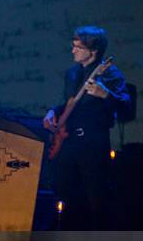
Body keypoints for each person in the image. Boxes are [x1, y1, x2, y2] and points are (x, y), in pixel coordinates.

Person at [43, 26, 131, 230]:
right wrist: (52, 112)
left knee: (96, 200)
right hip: (69, 143)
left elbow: (126, 108)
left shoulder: (110, 74)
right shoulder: (72, 73)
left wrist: (106, 95)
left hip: (93, 144)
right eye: (73, 46)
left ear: (94, 51)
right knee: (65, 196)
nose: (73, 51)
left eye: (78, 47)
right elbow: (70, 104)